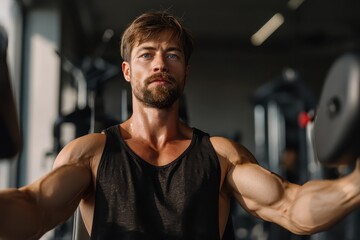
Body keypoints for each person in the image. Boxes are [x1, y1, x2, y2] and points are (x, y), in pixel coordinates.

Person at [1, 11, 360, 240]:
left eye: (172, 55)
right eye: (147, 55)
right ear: (128, 72)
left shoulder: (220, 156)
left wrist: (354, 184)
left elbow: (291, 206)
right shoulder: (91, 154)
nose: (160, 64)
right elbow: (34, 208)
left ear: (185, 72)